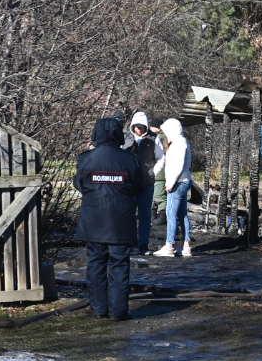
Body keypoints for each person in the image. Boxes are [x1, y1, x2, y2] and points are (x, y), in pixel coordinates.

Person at [74, 116, 143, 321]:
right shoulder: (129, 159)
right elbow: (138, 185)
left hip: (94, 221)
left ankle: (99, 309)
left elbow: (79, 184)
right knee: (119, 265)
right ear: (118, 134)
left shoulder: (86, 159)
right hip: (120, 221)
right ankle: (119, 311)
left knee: (95, 264)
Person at [152, 117, 195, 258]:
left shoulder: (178, 143)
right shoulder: (181, 141)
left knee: (171, 214)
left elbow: (178, 165)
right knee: (182, 214)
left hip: (178, 182)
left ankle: (169, 245)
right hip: (184, 181)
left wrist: (170, 182)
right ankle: (187, 245)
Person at [124, 112, 161, 253]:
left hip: (146, 184)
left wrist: (154, 171)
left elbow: (161, 157)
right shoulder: (126, 138)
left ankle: (143, 244)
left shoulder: (153, 139)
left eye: (141, 126)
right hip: (129, 183)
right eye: (136, 126)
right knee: (129, 214)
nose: (139, 129)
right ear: (133, 126)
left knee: (145, 216)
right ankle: (130, 243)